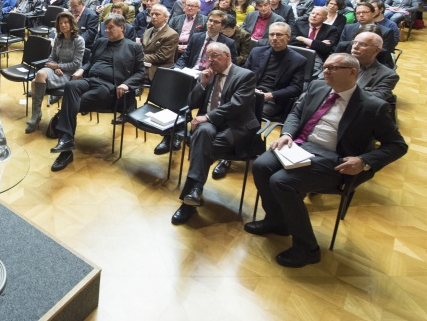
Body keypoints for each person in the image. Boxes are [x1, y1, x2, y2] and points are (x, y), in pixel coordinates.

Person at [247, 53, 407, 268]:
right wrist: (287, 133)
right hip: (301, 145)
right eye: (326, 67)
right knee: (261, 166)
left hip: (335, 159)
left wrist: (363, 161)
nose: (326, 71)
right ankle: (277, 221)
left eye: (333, 68)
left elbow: (398, 145)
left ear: (352, 72)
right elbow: (296, 112)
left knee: (282, 182)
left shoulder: (373, 106)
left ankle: (307, 248)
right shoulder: (317, 87)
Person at [171, 42, 260, 225]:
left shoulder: (245, 76)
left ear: (227, 56)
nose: (210, 61)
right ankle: (193, 193)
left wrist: (208, 116)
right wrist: (202, 84)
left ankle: (190, 200)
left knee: (200, 147)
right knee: (203, 133)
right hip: (210, 126)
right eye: (208, 56)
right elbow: (191, 102)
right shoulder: (208, 75)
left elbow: (237, 106)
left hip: (235, 126)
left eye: (215, 56)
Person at [49, 14, 145, 172]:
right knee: (71, 86)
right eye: (105, 28)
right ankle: (66, 142)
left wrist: (127, 85)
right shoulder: (100, 42)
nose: (107, 31)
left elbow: (141, 73)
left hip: (110, 88)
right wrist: (81, 69)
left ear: (122, 27)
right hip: (91, 80)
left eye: (111, 27)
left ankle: (65, 144)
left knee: (72, 103)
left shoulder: (133, 47)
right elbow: (90, 62)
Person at [26, 11, 85, 133]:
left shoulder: (79, 40)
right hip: (56, 70)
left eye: (66, 22)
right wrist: (55, 67)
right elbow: (51, 58)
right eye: (61, 23)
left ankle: (36, 116)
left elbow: (76, 64)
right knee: (40, 74)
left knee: (34, 82)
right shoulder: (58, 38)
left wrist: (59, 66)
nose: (63, 25)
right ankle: (36, 114)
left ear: (71, 24)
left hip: (69, 74)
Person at [141, 4, 179, 80]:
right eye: (152, 14)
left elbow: (160, 57)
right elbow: (143, 49)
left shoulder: (172, 34)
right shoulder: (147, 31)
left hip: (158, 68)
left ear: (166, 17)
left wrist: (139, 57)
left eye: (157, 14)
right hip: (144, 64)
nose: (154, 17)